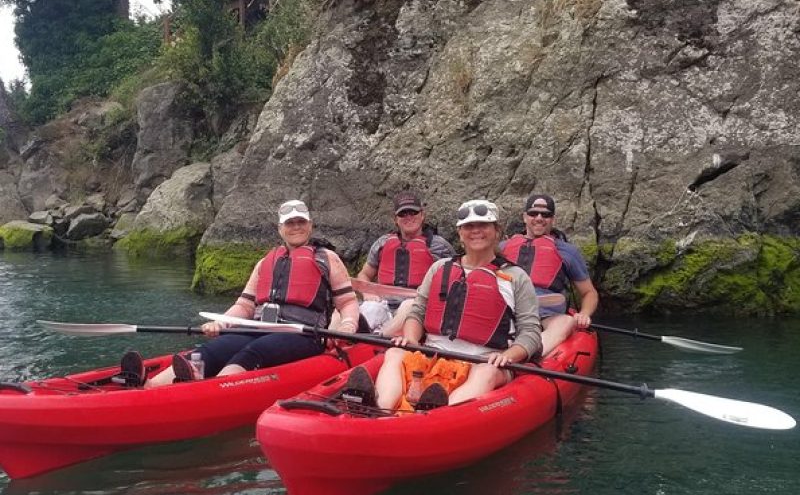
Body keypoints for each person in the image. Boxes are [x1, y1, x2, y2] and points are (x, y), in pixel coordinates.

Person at [120, 200, 360, 388]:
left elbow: (348, 302)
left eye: (301, 222)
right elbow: (244, 306)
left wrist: (348, 326)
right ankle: (149, 385)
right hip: (257, 328)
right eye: (290, 223)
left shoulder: (327, 259)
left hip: (304, 335)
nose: (296, 226)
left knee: (253, 352)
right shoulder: (265, 262)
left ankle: (208, 391)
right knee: (210, 351)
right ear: (280, 229)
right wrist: (221, 322)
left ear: (310, 225)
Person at [344, 199, 542, 412]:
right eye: (468, 226)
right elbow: (418, 311)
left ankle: (439, 414)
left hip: (483, 359)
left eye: (483, 225)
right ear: (460, 233)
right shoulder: (440, 268)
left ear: (497, 231)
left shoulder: (515, 277)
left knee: (487, 373)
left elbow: (530, 332)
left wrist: (508, 356)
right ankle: (378, 408)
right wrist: (410, 338)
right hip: (433, 351)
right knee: (394, 354)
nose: (476, 231)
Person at [500, 194, 598, 356]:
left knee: (567, 321)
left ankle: (529, 354)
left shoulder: (567, 252)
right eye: (533, 214)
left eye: (545, 215)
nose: (539, 218)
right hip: (508, 310)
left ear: (553, 220)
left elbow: (589, 293)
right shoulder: (503, 248)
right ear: (525, 217)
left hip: (546, 314)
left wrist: (584, 314)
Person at [354, 191, 454, 336]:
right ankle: (350, 340)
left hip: (416, 305)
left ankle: (378, 338)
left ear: (422, 215)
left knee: (409, 306)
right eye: (403, 214)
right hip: (384, 303)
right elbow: (364, 274)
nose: (408, 217)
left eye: (413, 212)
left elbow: (454, 282)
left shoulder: (440, 247)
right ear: (395, 219)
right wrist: (367, 291)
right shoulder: (382, 243)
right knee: (367, 307)